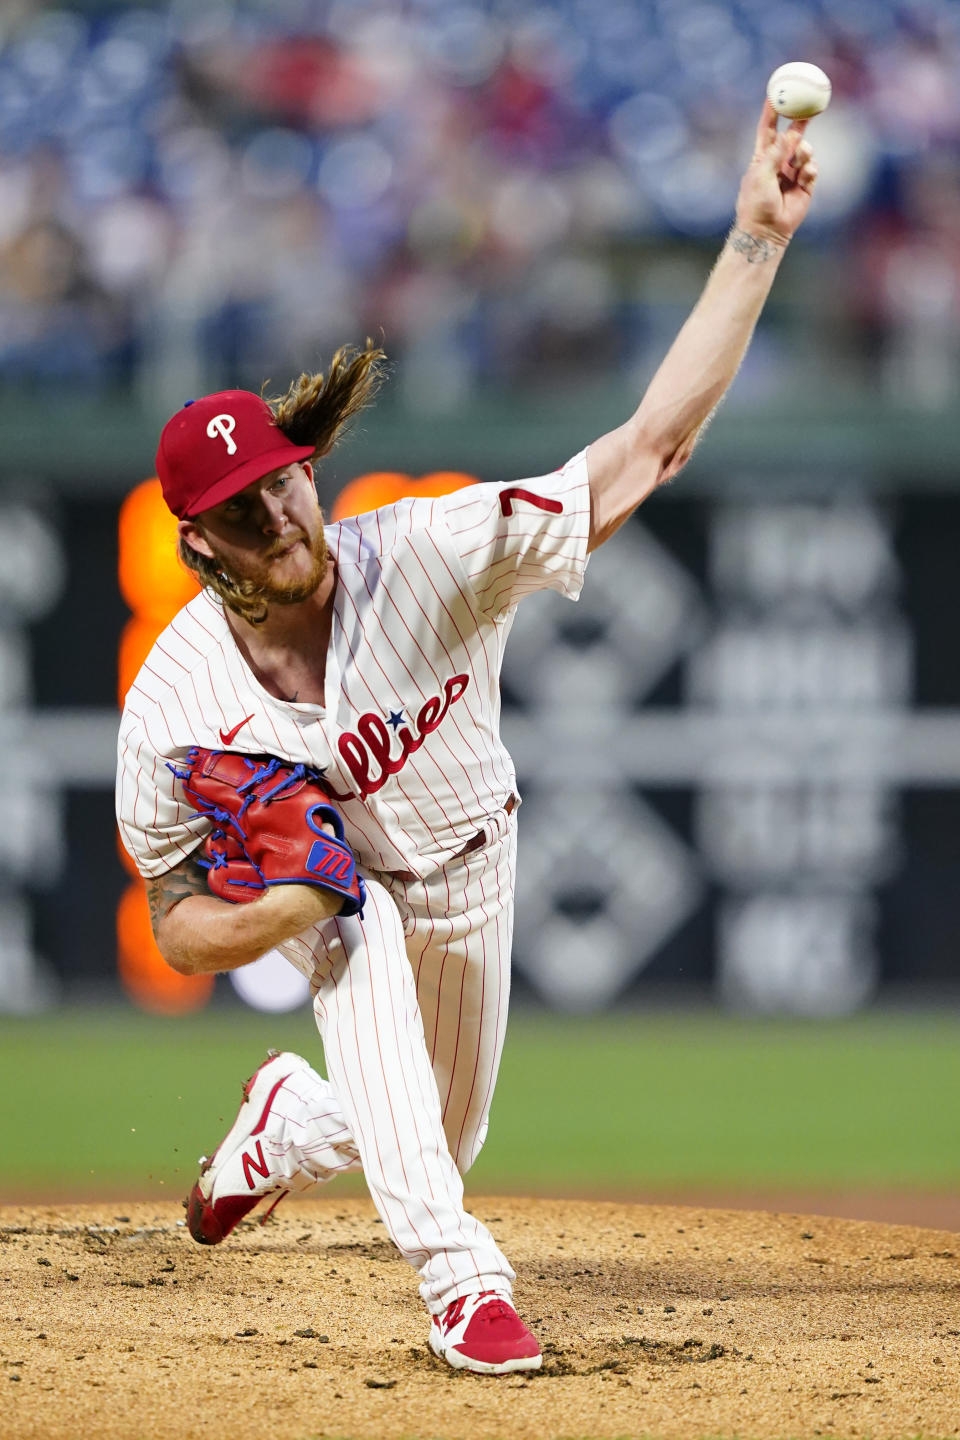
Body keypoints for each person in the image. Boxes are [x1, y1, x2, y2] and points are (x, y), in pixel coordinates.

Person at [116, 102, 818, 1376]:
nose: (273, 508)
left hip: (476, 866)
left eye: (279, 476)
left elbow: (646, 451)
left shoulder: (431, 558)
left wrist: (752, 242)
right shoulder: (171, 710)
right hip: (346, 913)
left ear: (306, 471)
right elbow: (176, 925)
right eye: (236, 505)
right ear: (197, 541)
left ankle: (285, 1127)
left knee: (436, 1128)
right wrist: (292, 898)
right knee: (358, 931)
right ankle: (463, 1285)